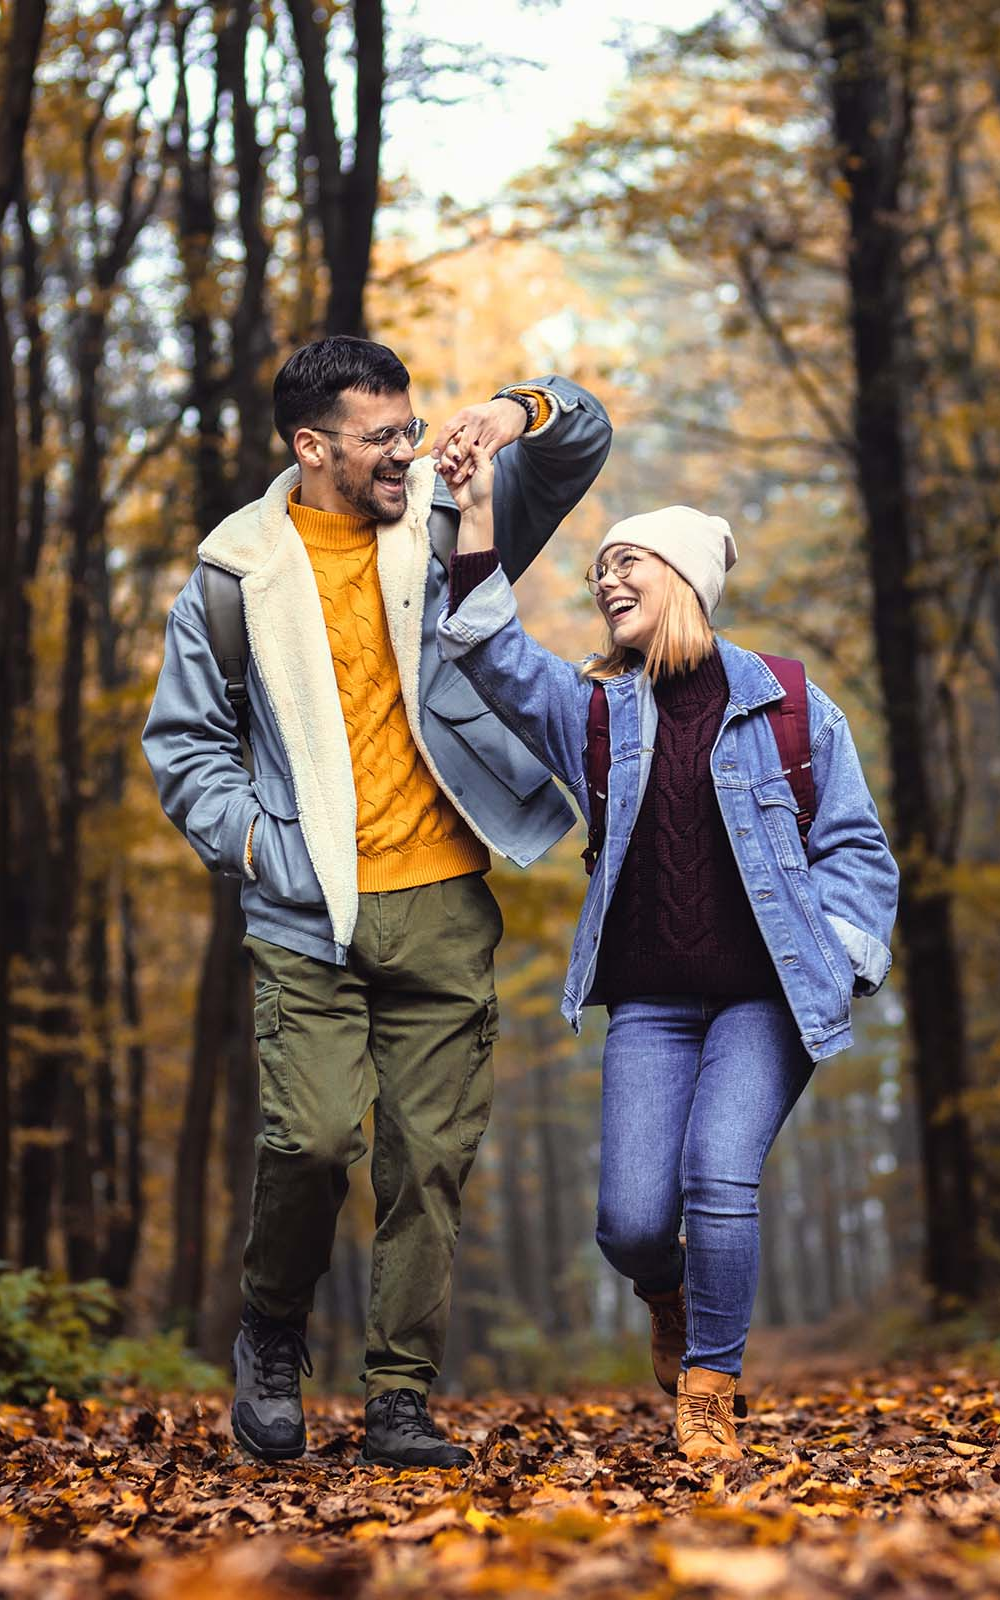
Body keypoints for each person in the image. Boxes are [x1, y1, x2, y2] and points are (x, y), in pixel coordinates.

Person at [142, 337, 612, 1469]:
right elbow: (185, 746)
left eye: (410, 427)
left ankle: (400, 1396)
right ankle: (270, 1327)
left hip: (445, 900)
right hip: (308, 912)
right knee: (306, 1142)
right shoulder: (231, 575)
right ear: (311, 448)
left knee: (427, 1159)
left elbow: (584, 436)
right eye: (381, 437)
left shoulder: (451, 518)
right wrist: (260, 843)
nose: (406, 450)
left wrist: (514, 411)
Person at [434, 441, 898, 1463]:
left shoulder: (788, 704)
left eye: (626, 563)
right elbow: (491, 653)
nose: (607, 579)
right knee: (633, 1222)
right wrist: (473, 514)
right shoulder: (597, 713)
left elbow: (857, 847)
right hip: (649, 1000)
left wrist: (839, 957)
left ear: (684, 578)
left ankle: (710, 1391)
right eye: (601, 569)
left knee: (719, 1171)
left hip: (763, 999)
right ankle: (672, 1298)